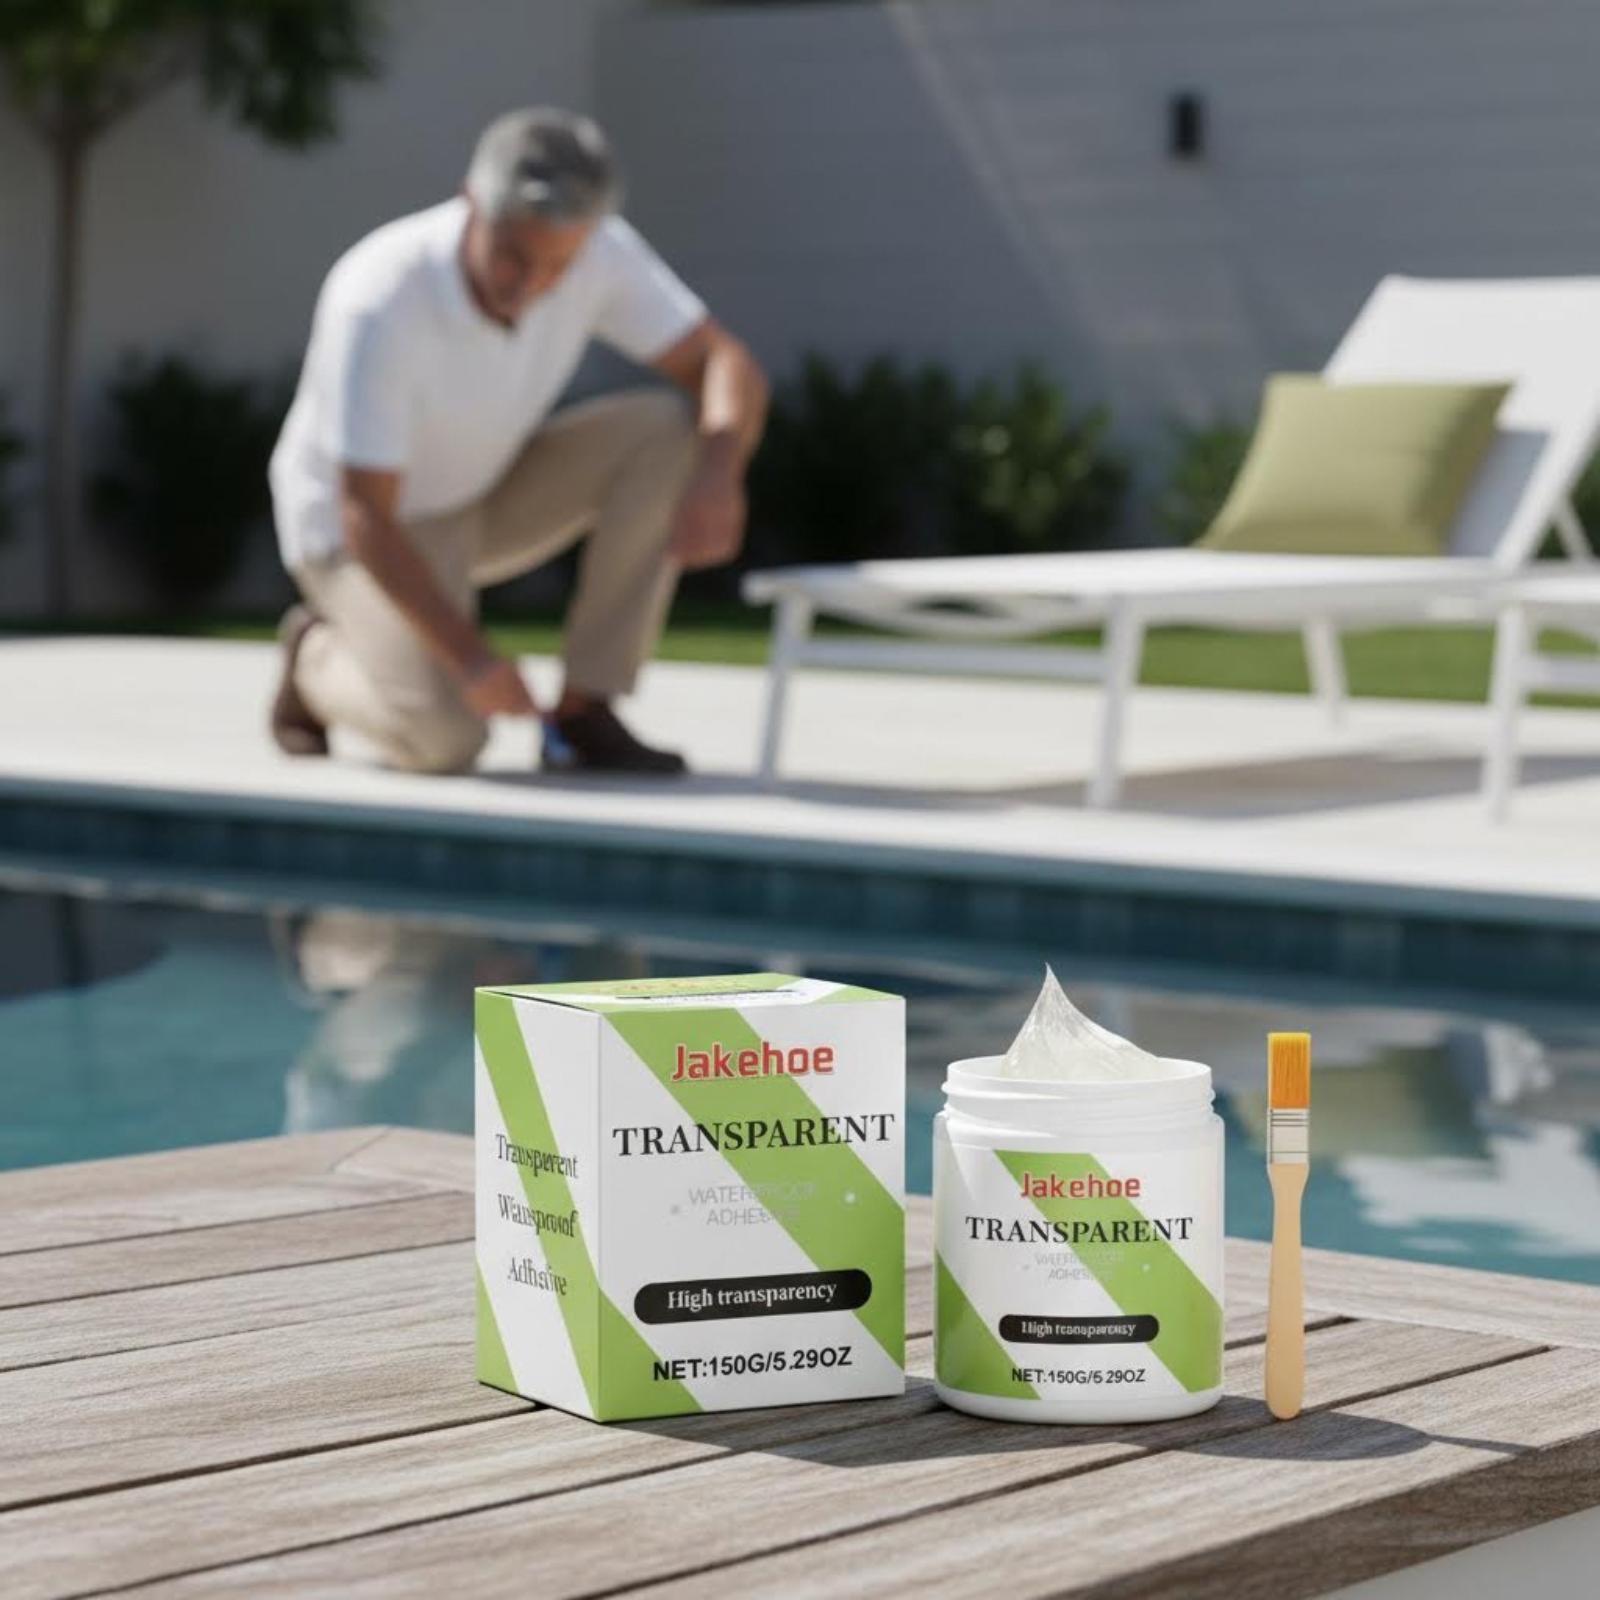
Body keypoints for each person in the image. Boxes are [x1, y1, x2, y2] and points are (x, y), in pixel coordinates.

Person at [267, 107, 768, 775]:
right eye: (512, 257)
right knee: (446, 740)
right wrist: (471, 659)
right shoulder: (380, 297)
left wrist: (720, 473)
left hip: (481, 496)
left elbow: (722, 362)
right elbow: (364, 515)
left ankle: (586, 709)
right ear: (470, 203)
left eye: (557, 265)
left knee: (670, 433)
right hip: (350, 534)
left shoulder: (601, 253)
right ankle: (312, 659)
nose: (531, 286)